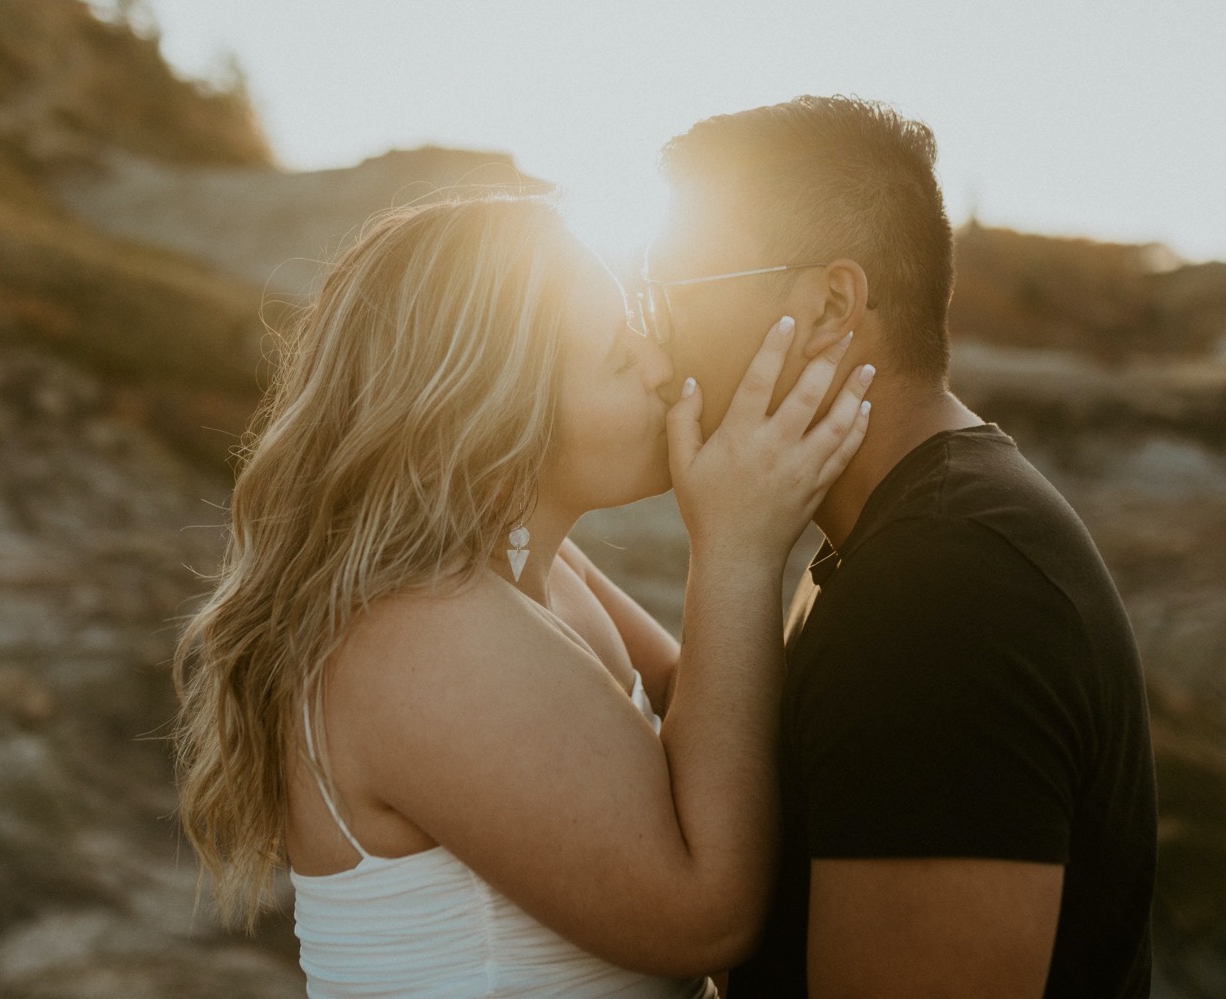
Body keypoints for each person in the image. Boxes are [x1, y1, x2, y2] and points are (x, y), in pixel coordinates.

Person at [170, 194, 876, 997]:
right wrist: (737, 549)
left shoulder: (536, 565)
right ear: (495, 417)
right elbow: (704, 915)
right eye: (618, 357)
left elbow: (703, 711)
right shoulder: (415, 635)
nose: (659, 364)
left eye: (638, 325)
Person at [636, 96, 1158, 997]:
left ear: (831, 303)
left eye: (670, 295)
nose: (652, 339)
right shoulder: (898, 537)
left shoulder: (947, 584)